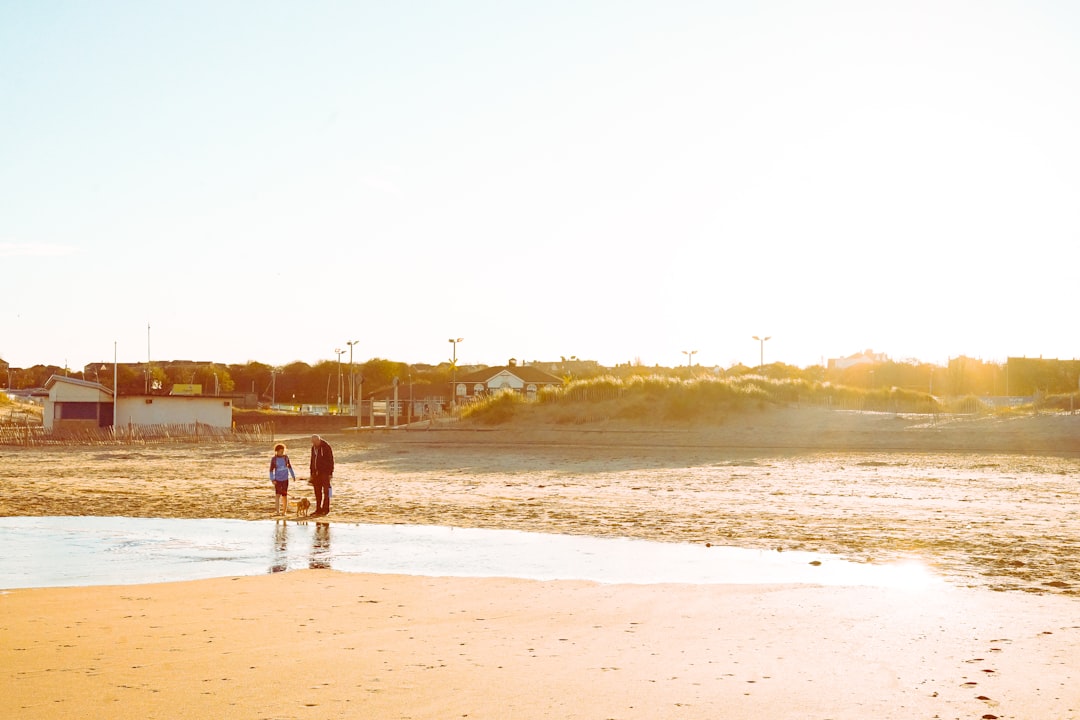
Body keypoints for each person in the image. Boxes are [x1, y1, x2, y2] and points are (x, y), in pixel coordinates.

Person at [309, 434, 334, 517]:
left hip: (325, 473)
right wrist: (311, 473)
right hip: (316, 473)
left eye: (314, 442)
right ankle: (318, 509)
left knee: (327, 491)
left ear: (318, 440)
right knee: (317, 492)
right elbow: (312, 460)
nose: (313, 444)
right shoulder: (313, 448)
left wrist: (330, 473)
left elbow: (331, 460)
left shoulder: (326, 447)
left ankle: (326, 509)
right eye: (312, 442)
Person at [268, 443, 297, 515]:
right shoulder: (274, 459)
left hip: (285, 479)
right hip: (277, 480)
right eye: (281, 451)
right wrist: (272, 479)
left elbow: (290, 467)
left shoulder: (286, 458)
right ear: (277, 451)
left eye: (283, 451)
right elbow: (271, 470)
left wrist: (293, 475)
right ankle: (277, 511)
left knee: (284, 495)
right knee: (277, 495)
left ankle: (284, 511)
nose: (282, 453)